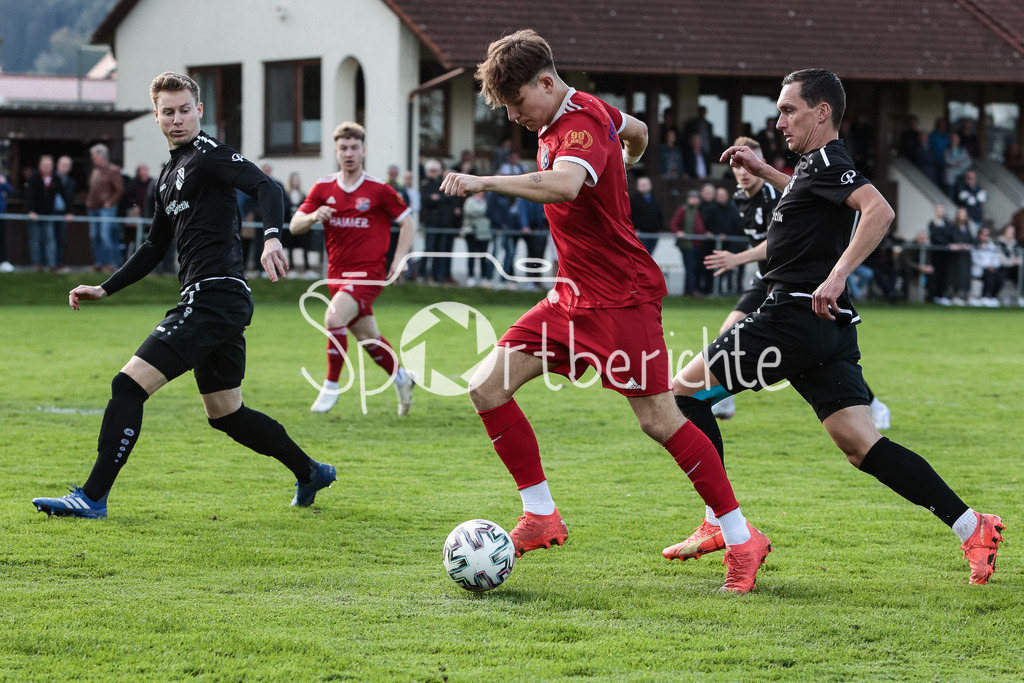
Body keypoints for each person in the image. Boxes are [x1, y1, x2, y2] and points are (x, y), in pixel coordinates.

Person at [440, 29, 771, 593]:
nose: (514, 117)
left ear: (547, 83)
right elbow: (637, 131)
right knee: (486, 387)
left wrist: (484, 182)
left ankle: (742, 539)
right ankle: (540, 515)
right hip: (571, 295)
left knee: (660, 420)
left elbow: (566, 186)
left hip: (621, 298)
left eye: (517, 102)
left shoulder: (579, 125)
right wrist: (623, 166)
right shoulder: (582, 112)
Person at [667, 69, 1002, 586]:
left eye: (789, 110)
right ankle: (971, 526)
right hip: (826, 329)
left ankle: (725, 527)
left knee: (682, 396)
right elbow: (810, 193)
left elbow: (879, 210)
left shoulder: (828, 160)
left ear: (822, 112)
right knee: (861, 445)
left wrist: (838, 273)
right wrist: (765, 169)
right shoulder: (814, 167)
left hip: (790, 319)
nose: (780, 121)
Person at [31, 71, 336, 518]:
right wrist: (104, 287)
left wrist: (272, 237)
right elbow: (154, 246)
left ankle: (91, 497)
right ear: (156, 116)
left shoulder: (210, 155)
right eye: (168, 112)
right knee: (226, 414)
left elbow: (266, 186)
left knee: (127, 386)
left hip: (213, 297)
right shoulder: (168, 174)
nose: (177, 119)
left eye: (185, 110)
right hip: (219, 301)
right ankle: (311, 472)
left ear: (199, 111)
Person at [703, 136, 891, 426]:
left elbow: (776, 241)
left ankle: (873, 404)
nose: (742, 171)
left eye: (748, 163)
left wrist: (737, 258)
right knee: (730, 329)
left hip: (791, 280)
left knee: (812, 357)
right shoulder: (741, 198)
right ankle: (723, 402)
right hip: (767, 277)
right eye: (736, 166)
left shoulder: (776, 193)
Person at [289, 121, 416, 416]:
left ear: (363, 151)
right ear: (336, 151)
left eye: (354, 147)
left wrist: (399, 259)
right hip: (336, 274)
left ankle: (331, 385)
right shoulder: (323, 187)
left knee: (333, 317)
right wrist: (314, 216)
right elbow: (295, 225)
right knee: (369, 339)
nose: (349, 153)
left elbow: (408, 222)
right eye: (343, 148)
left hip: (369, 273)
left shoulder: (378, 189)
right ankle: (403, 379)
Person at [85, 143, 125, 272]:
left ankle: (109, 263)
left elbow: (119, 189)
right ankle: (99, 262)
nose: (93, 159)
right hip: (93, 208)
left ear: (102, 156)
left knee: (105, 236)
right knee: (95, 236)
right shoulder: (95, 171)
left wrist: (110, 201)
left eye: (94, 156)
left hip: (106, 209)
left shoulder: (112, 170)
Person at [23, 155, 60, 272]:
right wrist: (31, 211)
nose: (47, 168)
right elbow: (29, 195)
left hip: (48, 215)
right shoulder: (34, 177)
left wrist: (69, 211)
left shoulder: (55, 177)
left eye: (49, 165)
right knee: (35, 240)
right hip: (35, 215)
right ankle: (37, 264)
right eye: (44, 165)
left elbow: (64, 194)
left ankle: (51, 264)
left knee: (50, 240)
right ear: (40, 166)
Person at [669, 189, 707, 297]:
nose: (694, 200)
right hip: (687, 244)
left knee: (695, 267)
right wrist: (678, 232)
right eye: (692, 198)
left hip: (697, 243)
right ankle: (692, 290)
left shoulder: (698, 210)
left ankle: (688, 290)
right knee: (690, 267)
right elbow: (674, 223)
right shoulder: (683, 209)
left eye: (696, 198)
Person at [460, 188, 493, 287]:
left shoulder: (487, 201)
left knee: (483, 256)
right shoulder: (469, 201)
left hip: (484, 233)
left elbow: (488, 211)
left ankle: (484, 277)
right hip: (472, 232)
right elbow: (468, 211)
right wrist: (481, 212)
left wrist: (477, 212)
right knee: (471, 256)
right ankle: (471, 276)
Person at [970, 226, 1004, 307]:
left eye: (987, 235)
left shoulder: (991, 245)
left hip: (991, 268)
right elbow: (975, 259)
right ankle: (985, 296)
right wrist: (987, 266)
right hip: (981, 269)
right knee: (989, 274)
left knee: (1000, 275)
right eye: (984, 235)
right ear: (979, 235)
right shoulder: (975, 245)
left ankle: (993, 296)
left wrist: (993, 266)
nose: (986, 237)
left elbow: (996, 257)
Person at [53, 155, 77, 273]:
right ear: (58, 165)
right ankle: (49, 264)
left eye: (67, 165)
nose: (65, 167)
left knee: (60, 239)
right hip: (50, 213)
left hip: (63, 214)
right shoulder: (51, 179)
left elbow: (70, 199)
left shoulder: (71, 182)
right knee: (49, 239)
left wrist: (69, 212)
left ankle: (59, 263)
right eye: (63, 165)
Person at [629, 176, 663, 255]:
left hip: (653, 234)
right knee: (641, 255)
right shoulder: (633, 200)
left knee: (649, 255)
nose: (643, 187)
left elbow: (659, 214)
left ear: (650, 186)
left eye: (645, 185)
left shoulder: (654, 199)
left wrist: (660, 227)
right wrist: (633, 228)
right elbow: (629, 215)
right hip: (640, 234)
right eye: (641, 185)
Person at [0, 173, 13, 272]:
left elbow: (11, 192)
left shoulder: (1, 178)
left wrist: (4, 183)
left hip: (1, 214)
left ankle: (3, 262)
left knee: (2, 239)